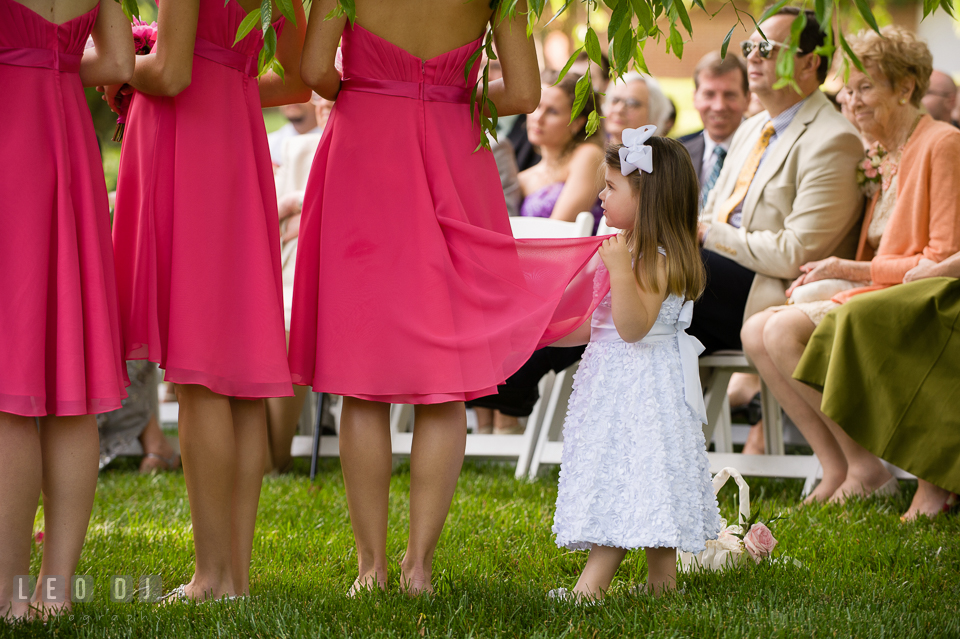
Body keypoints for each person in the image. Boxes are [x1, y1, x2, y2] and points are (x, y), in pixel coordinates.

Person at [292, 0, 608, 596]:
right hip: (452, 150)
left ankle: (371, 569)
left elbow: (312, 71)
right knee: (447, 371)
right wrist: (443, 91)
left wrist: (368, 90)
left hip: (366, 150)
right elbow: (521, 93)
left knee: (365, 374)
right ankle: (419, 569)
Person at [108, 0, 309, 602]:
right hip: (236, 136)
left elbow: (169, 74)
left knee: (197, 375)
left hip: (186, 140)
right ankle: (234, 576)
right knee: (236, 374)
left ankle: (211, 575)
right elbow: (298, 77)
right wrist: (232, 80)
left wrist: (125, 67)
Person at [742, 26, 960, 504]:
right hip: (887, 288)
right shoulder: (881, 151)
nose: (851, 99)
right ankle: (840, 465)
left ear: (905, 89)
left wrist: (852, 270)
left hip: (926, 295)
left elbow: (941, 258)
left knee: (779, 332)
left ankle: (868, 468)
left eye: (865, 87)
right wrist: (840, 269)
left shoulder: (940, 143)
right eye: (848, 88)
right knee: (756, 331)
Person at [0, 0, 133, 620]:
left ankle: (6, 594)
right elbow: (116, 60)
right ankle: (55, 593)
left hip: (10, 139)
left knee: (9, 388)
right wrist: (51, 60)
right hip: (66, 143)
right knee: (67, 381)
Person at [549, 129, 720, 601]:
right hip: (621, 381)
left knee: (622, 476)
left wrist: (621, 270)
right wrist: (546, 334)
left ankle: (591, 588)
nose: (600, 194)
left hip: (640, 385)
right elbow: (597, 325)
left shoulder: (651, 258)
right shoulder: (628, 249)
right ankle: (662, 584)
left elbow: (632, 327)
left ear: (647, 197)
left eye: (611, 187)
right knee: (647, 476)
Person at [692, 7, 864, 357]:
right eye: (748, 48)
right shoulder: (751, 127)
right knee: (629, 283)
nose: (752, 58)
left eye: (767, 49)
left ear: (809, 63)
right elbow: (709, 211)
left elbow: (795, 254)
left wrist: (707, 235)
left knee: (646, 277)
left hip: (767, 293)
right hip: (708, 272)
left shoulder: (835, 140)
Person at [470, 70, 605, 435]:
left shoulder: (589, 157)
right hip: (531, 280)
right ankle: (488, 423)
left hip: (572, 279)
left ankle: (505, 418)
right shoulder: (527, 176)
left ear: (578, 122)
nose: (538, 117)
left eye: (553, 111)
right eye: (536, 108)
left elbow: (561, 229)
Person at [794, 252, 960, 521]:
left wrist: (846, 269)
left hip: (927, 280)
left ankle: (921, 478)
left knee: (857, 318)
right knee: (768, 331)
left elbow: (935, 253)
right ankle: (844, 467)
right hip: (902, 279)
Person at [266, 92, 332, 474]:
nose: (322, 106)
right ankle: (272, 457)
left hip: (330, 279)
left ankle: (276, 455)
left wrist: (300, 206)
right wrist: (292, 205)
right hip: (286, 271)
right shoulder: (296, 149)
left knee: (287, 325)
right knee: (267, 322)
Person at [680, 51, 750, 210]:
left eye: (730, 95)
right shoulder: (678, 153)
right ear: (695, 98)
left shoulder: (763, 150)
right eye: (709, 94)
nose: (719, 106)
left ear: (748, 99)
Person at [603, 72, 671, 144]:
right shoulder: (595, 149)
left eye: (631, 103)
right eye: (615, 100)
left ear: (654, 113)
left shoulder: (658, 154)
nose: (619, 110)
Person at [268, 100, 321, 167]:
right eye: (284, 92)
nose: (291, 98)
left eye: (301, 90)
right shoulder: (269, 145)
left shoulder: (334, 142)